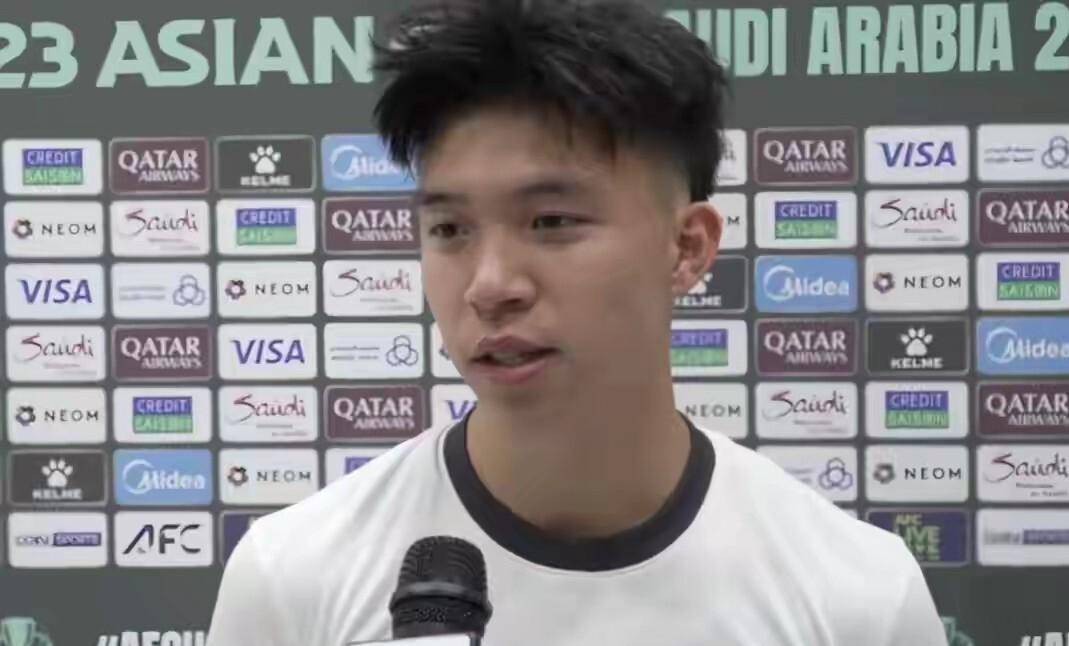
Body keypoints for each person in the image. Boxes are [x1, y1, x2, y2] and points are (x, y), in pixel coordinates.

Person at [206, 1, 947, 644]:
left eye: (552, 221)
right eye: (450, 230)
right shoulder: (293, 576)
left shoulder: (858, 597)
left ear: (687, 248)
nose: (490, 286)